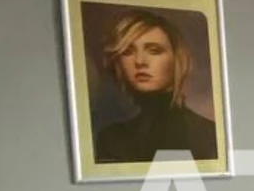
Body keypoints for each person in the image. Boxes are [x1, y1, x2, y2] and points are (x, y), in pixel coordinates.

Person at [93, 9, 218, 163]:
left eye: (154, 50)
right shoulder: (111, 138)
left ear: (177, 59)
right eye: (128, 51)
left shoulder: (209, 134)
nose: (140, 61)